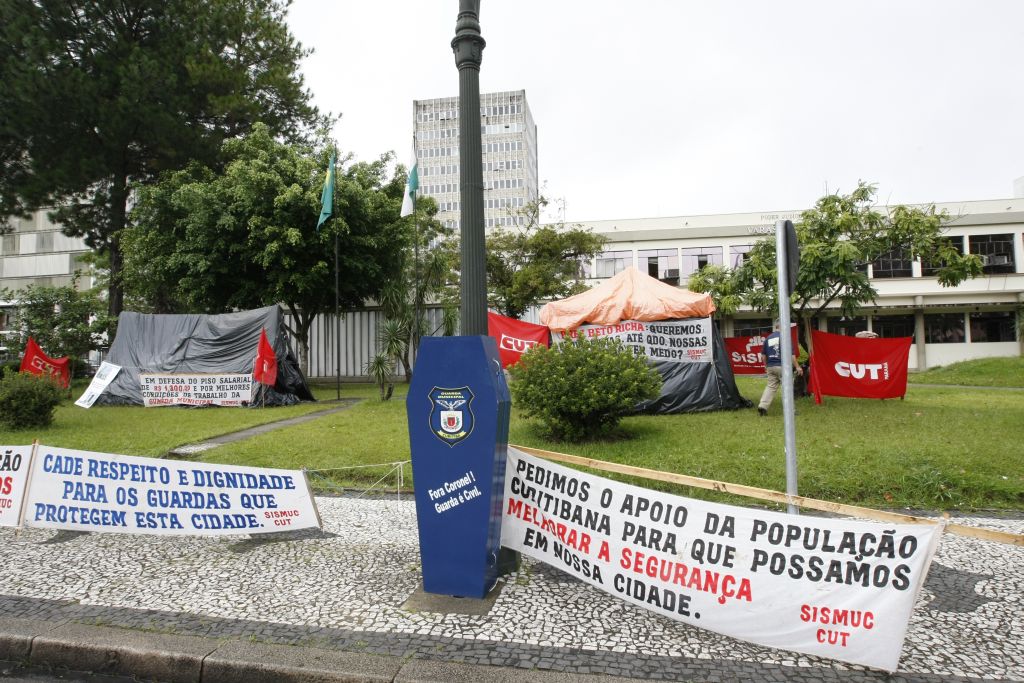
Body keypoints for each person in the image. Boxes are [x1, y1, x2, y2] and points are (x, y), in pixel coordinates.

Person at [758, 320, 802, 416]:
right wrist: (798, 367)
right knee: (787, 388)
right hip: (783, 367)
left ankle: (763, 406)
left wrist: (766, 366)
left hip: (771, 366)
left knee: (770, 387)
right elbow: (792, 355)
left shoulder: (768, 338)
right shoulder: (785, 338)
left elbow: (763, 356)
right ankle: (791, 411)